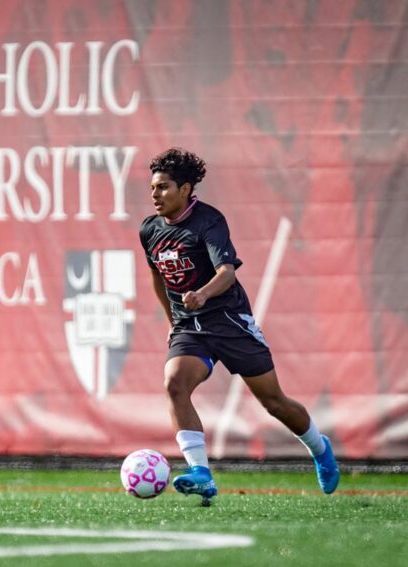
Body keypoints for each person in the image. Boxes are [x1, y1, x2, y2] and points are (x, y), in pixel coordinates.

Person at [139, 148, 339, 504]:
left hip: (229, 321)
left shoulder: (209, 221)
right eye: (153, 188)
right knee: (174, 384)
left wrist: (201, 294)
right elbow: (158, 277)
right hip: (189, 327)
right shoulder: (150, 230)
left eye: (164, 187)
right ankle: (201, 472)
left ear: (185, 189)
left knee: (274, 403)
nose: (155, 195)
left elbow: (227, 274)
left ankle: (319, 448)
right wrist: (174, 323)